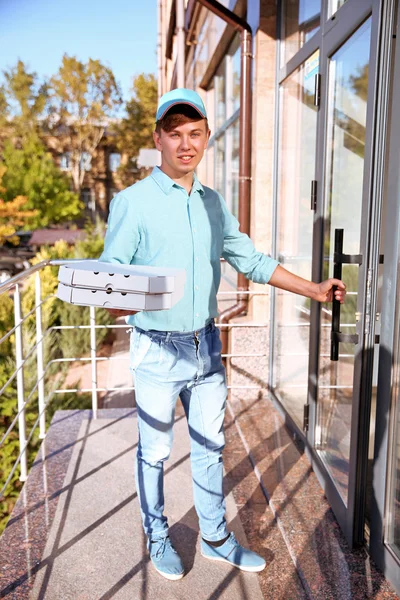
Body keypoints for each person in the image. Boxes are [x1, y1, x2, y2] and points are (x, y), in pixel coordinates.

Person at [99, 88, 346, 581]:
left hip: (205, 346)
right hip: (156, 348)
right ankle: (158, 534)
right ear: (158, 139)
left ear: (207, 138)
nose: (185, 144)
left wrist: (313, 289)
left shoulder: (213, 203)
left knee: (210, 445)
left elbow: (250, 260)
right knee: (155, 453)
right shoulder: (134, 202)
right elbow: (111, 277)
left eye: (195, 134)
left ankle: (214, 536)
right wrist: (119, 298)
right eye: (175, 135)